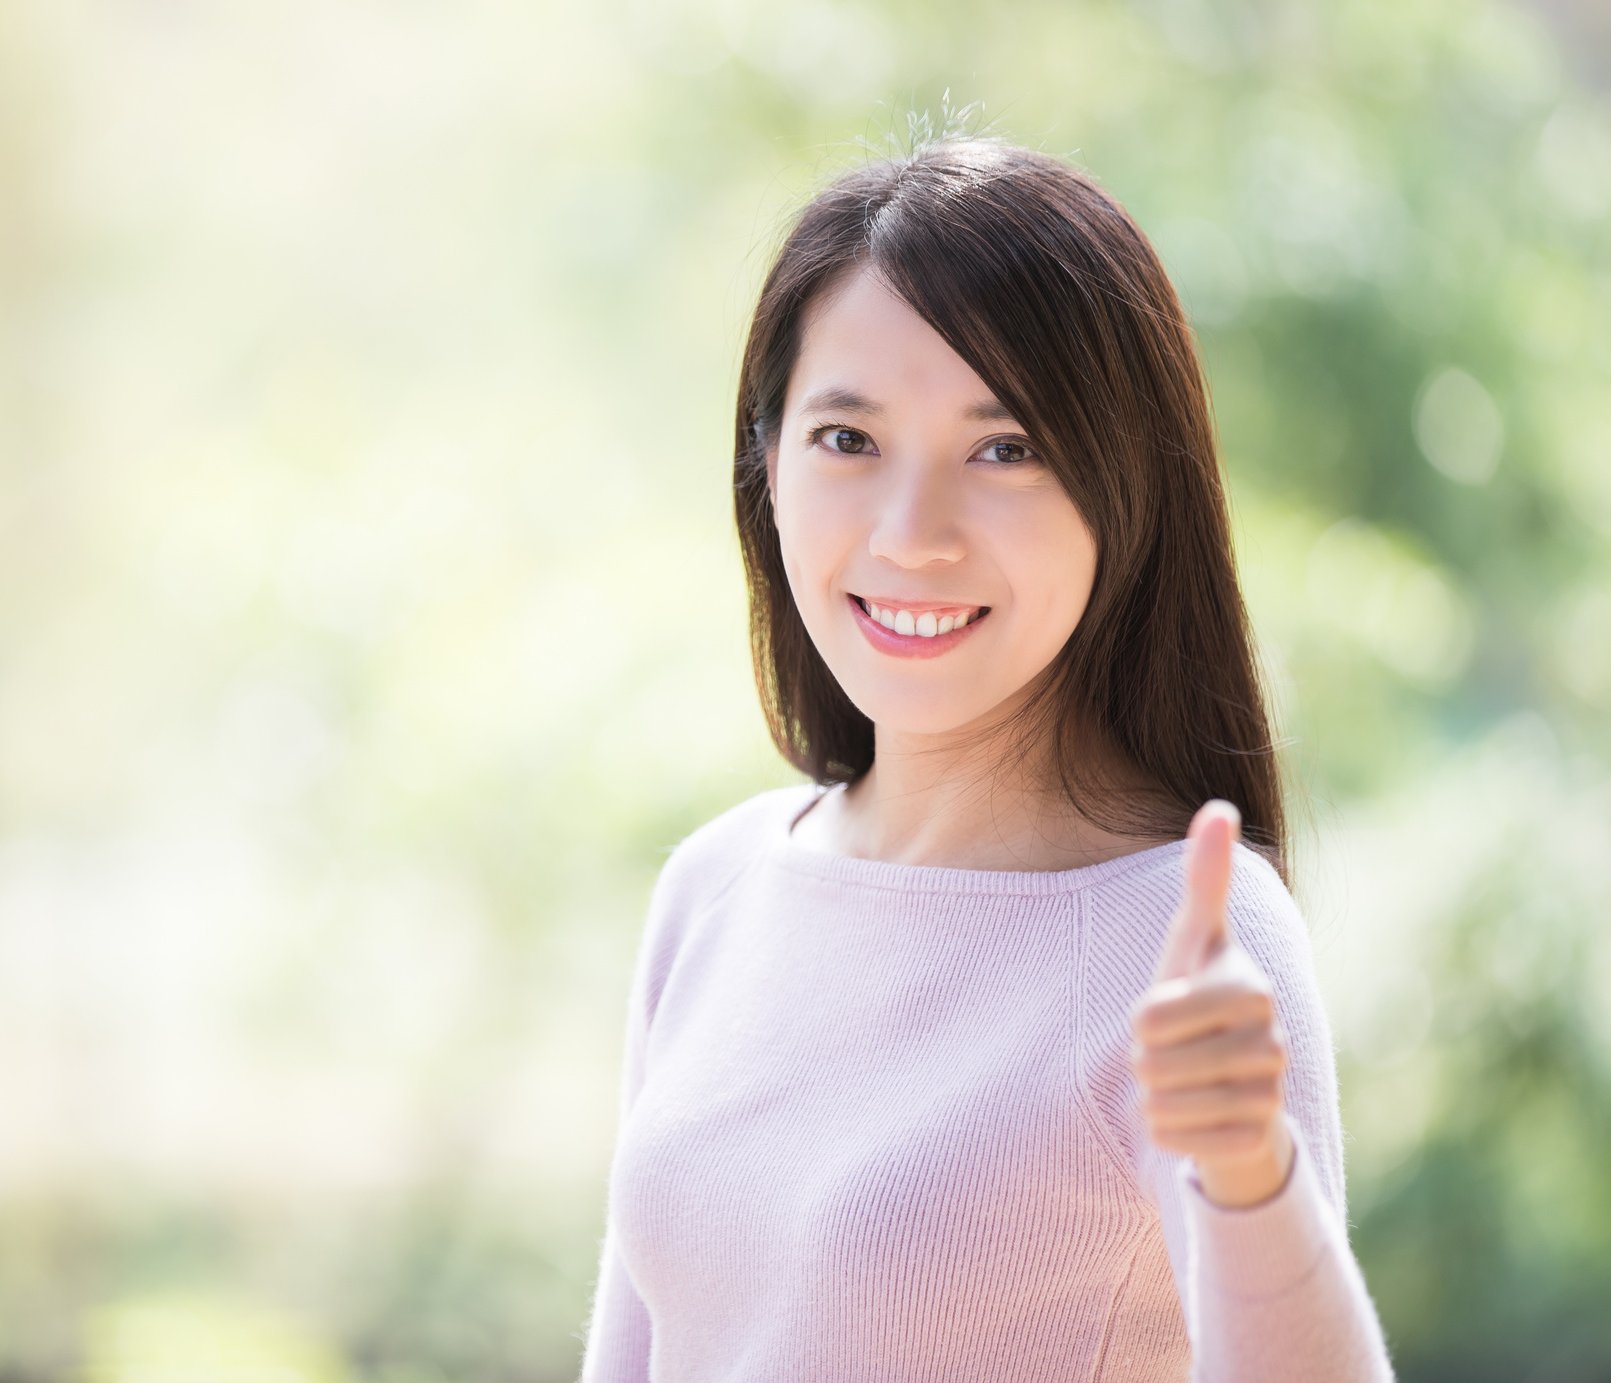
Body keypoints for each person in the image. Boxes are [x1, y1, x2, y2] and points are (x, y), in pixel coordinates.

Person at [578, 138, 1394, 1382]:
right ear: (769, 463)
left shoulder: (1178, 942)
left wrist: (1253, 1182)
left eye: (1005, 448)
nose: (913, 537)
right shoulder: (715, 886)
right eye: (847, 439)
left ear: (1125, 490)